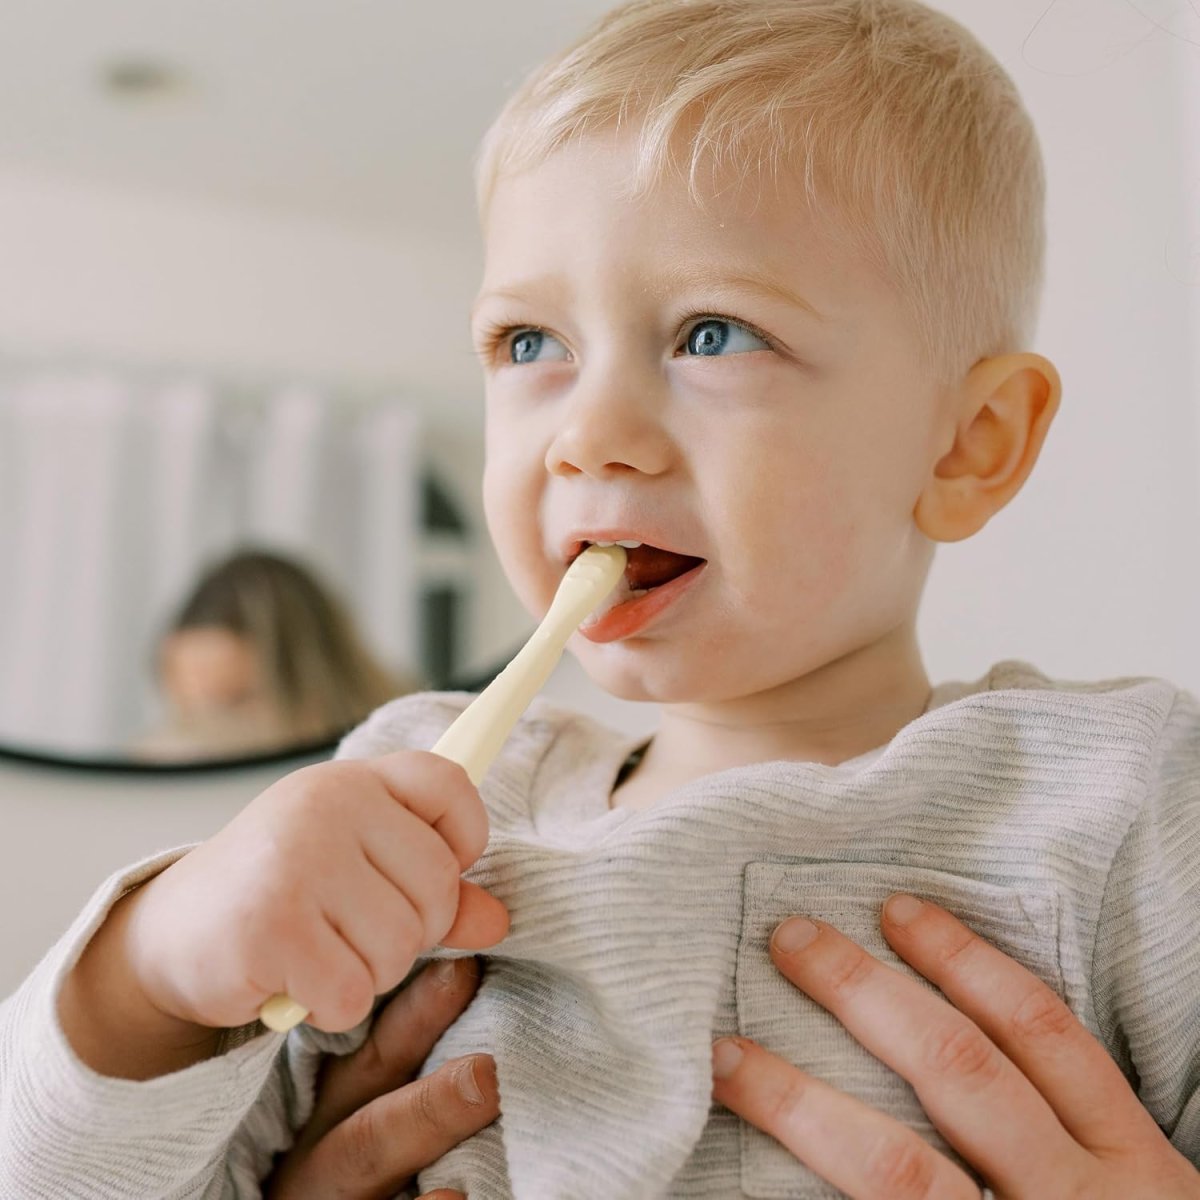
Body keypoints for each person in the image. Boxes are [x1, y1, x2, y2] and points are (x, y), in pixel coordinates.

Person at [0, 1, 1197, 1197]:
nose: (587, 433)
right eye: (530, 344)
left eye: (713, 334)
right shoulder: (413, 806)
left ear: (970, 444)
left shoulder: (1124, 801)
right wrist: (146, 978)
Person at [132, 548, 417, 760]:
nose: (207, 726)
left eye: (237, 701)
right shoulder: (165, 761)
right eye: (188, 711)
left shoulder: (409, 741)